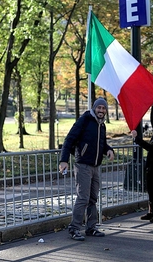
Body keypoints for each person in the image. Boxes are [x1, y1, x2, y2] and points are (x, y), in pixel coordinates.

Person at [59, 97, 115, 241]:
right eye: (99, 108)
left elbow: (101, 143)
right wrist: (63, 160)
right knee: (83, 198)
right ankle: (74, 228)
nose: (101, 111)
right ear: (94, 108)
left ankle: (91, 227)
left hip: (95, 166)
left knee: (92, 199)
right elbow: (69, 139)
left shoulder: (101, 125)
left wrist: (108, 150)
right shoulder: (85, 120)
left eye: (104, 108)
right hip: (83, 165)